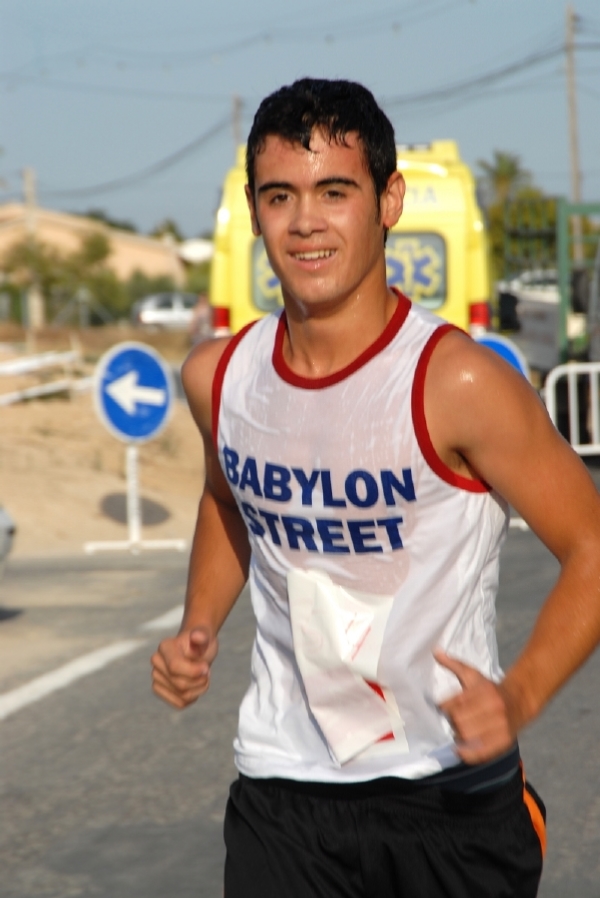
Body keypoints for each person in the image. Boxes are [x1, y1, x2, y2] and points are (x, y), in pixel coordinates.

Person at [151, 78, 600, 898]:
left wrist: (519, 696)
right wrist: (199, 624)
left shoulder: (457, 382)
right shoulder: (220, 376)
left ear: (388, 200)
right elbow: (228, 500)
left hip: (446, 793)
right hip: (282, 792)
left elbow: (592, 546)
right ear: (254, 211)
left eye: (335, 192)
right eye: (280, 196)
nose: (305, 222)